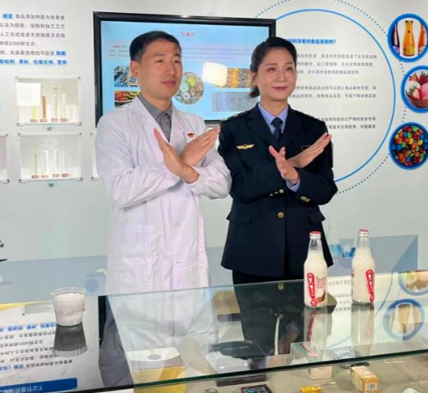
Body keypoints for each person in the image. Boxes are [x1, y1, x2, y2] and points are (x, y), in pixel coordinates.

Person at [218, 36, 337, 354]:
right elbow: (239, 187)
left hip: (304, 252)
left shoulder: (313, 129)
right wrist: (288, 166)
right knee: (259, 348)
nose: (281, 77)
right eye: (271, 69)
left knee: (307, 345)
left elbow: (325, 189)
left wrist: (296, 177)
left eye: (289, 68)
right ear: (253, 76)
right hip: (252, 252)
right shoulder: (234, 130)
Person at [96, 30, 231, 295]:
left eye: (177, 60)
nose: (171, 70)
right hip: (140, 269)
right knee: (140, 321)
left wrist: (186, 171)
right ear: (135, 69)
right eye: (160, 61)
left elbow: (222, 184)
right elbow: (121, 190)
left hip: (188, 267)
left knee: (192, 321)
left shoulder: (193, 123)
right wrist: (179, 166)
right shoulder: (114, 124)